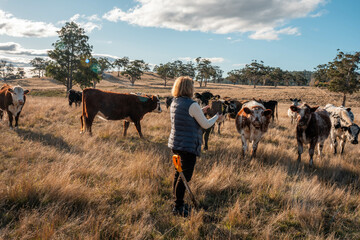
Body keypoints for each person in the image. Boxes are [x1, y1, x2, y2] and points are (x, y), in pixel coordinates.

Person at [168, 76, 222, 217]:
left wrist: (201, 111)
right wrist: (216, 117)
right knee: (185, 176)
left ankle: (177, 202)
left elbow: (185, 117)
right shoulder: (192, 104)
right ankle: (178, 207)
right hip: (188, 146)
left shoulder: (174, 102)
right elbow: (205, 124)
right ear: (189, 88)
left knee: (178, 173)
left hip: (175, 143)